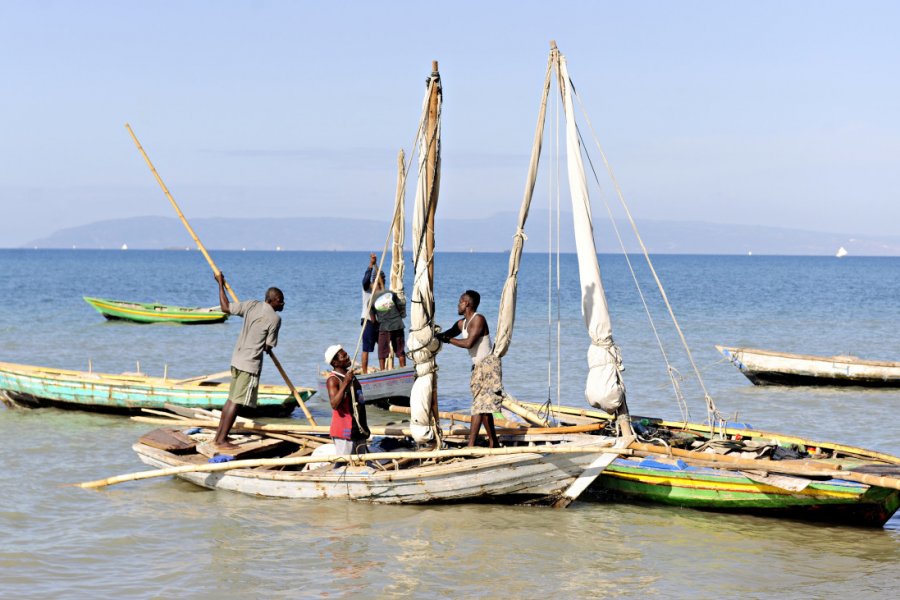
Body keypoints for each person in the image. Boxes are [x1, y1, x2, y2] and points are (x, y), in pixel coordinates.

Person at [211, 272, 284, 452]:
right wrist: (267, 346)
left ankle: (219, 436)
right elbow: (268, 346)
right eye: (280, 300)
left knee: (231, 399)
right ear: (272, 300)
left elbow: (225, 307)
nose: (283, 304)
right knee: (237, 402)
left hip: (236, 359)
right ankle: (222, 440)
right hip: (249, 364)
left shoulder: (252, 305)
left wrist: (220, 284)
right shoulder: (275, 319)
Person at [438, 290, 502, 448]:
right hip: (477, 367)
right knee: (484, 408)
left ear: (466, 303)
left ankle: (471, 445)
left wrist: (448, 339)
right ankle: (494, 442)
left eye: (460, 301)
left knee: (479, 407)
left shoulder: (478, 319)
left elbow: (468, 343)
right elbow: (447, 334)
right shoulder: (462, 323)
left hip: (489, 366)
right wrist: (435, 335)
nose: (458, 304)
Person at [324, 344, 370, 456]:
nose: (348, 357)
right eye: (343, 356)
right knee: (344, 465)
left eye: (346, 354)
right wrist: (345, 383)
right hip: (345, 432)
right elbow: (334, 404)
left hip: (359, 430)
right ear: (335, 363)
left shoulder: (351, 376)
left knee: (360, 465)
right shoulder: (333, 380)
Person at [371, 272, 407, 370]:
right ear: (384, 281)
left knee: (382, 353)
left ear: (374, 282)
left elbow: (373, 320)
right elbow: (400, 307)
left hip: (384, 327)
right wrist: (401, 315)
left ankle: (383, 371)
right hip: (397, 324)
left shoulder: (372, 299)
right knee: (400, 351)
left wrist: (377, 326)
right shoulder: (391, 294)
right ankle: (403, 369)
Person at [360, 253, 379, 373]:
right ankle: (364, 371)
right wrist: (371, 265)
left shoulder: (381, 291)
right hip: (367, 320)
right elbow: (366, 279)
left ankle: (385, 369)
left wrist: (377, 265)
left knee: (384, 346)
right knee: (366, 347)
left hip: (379, 322)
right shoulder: (367, 288)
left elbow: (380, 277)